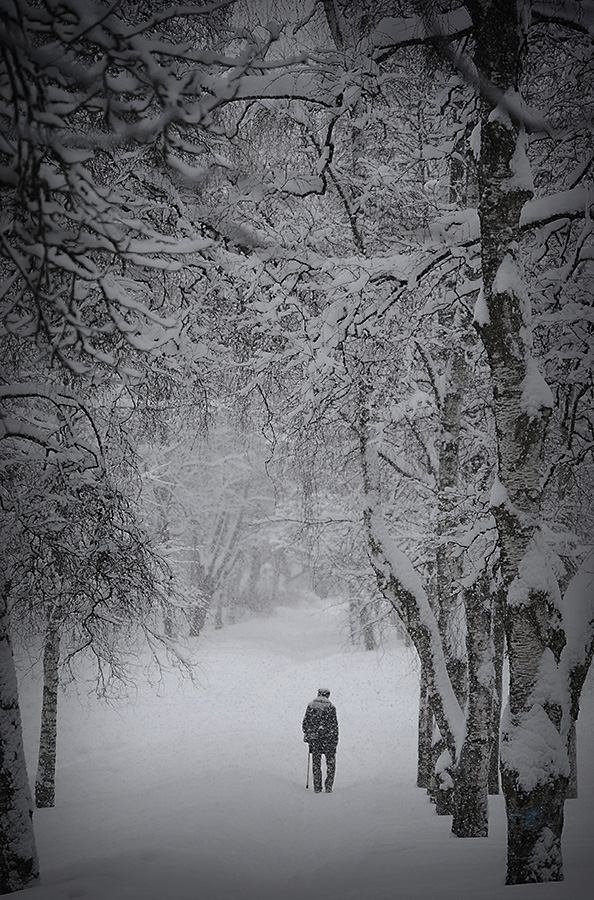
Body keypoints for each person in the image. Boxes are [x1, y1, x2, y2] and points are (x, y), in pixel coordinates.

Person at [302, 688, 339, 793]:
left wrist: (308, 735)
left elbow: (305, 723)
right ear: (328, 695)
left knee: (316, 764)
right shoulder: (331, 707)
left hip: (315, 740)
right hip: (329, 740)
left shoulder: (311, 706)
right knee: (330, 765)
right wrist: (335, 741)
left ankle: (317, 787)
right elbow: (334, 726)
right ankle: (328, 787)